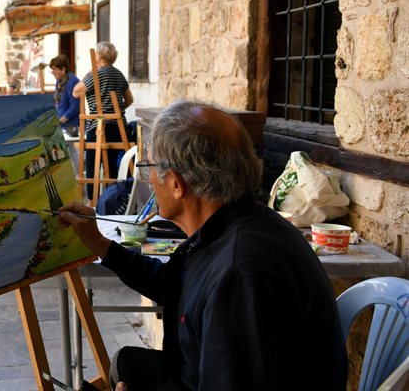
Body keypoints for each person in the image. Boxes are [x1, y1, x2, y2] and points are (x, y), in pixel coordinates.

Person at [57, 100, 348, 391]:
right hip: (208, 370)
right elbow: (175, 286)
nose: (150, 179)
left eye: (149, 167)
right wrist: (99, 243)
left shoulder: (237, 275)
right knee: (126, 363)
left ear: (176, 184)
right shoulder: (242, 224)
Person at [73, 42, 133, 199]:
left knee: (92, 165)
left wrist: (87, 75)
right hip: (118, 126)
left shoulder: (96, 74)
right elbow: (129, 100)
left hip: (99, 125)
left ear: (99, 56)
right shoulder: (119, 74)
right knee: (111, 166)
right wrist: (116, 111)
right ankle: (111, 199)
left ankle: (92, 201)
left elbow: (76, 92)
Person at [50, 55, 79, 135]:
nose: (52, 72)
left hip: (73, 127)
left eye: (54, 69)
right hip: (62, 126)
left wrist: (59, 121)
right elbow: (58, 103)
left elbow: (74, 108)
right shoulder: (59, 82)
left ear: (63, 69)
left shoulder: (73, 82)